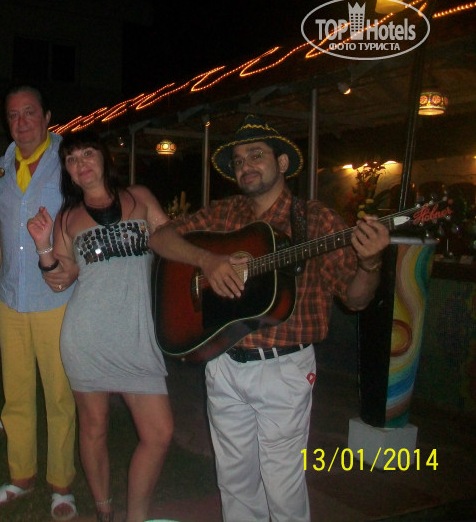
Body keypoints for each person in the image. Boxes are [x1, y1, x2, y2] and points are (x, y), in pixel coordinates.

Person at [148, 115, 390, 522]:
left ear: (282, 163)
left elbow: (356, 299)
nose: (245, 166)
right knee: (234, 482)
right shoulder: (224, 214)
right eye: (239, 160)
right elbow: (160, 238)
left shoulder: (315, 220)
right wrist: (206, 260)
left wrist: (370, 264)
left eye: (255, 156)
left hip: (284, 368)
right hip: (224, 361)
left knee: (282, 483)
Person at [27, 130, 174, 522]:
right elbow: (60, 280)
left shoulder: (140, 198)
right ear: (67, 172)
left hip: (137, 336)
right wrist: (43, 246)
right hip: (88, 337)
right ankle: (105, 512)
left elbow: (170, 241)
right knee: (94, 429)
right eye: (71, 159)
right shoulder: (67, 218)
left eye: (87, 153)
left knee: (159, 434)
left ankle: (136, 516)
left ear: (105, 158)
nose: (81, 164)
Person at [0, 85, 78, 521]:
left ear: (47, 116)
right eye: (13, 115)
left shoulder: (69, 162)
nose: (21, 122)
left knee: (59, 395)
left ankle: (62, 485)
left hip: (56, 296)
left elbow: (86, 221)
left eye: (29, 113)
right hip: (10, 299)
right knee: (15, 393)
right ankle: (21, 477)